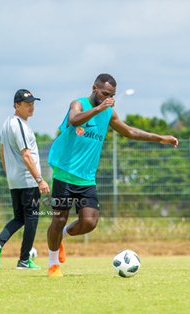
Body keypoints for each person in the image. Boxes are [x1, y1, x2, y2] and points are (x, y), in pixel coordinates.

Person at [47, 73, 178, 277]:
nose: (109, 98)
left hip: (86, 177)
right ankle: (53, 263)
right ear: (94, 88)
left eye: (112, 95)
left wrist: (161, 138)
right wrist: (99, 108)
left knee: (89, 222)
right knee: (59, 218)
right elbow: (73, 120)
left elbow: (130, 132)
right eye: (106, 93)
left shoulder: (109, 113)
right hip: (64, 172)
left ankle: (61, 237)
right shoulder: (79, 104)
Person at [0, 89, 50, 269]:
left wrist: (10, 175)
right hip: (28, 180)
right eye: (27, 104)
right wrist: (40, 179)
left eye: (32, 103)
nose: (31, 107)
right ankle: (24, 260)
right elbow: (26, 155)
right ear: (17, 105)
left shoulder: (7, 123)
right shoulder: (19, 125)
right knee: (32, 218)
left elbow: (2, 151)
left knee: (20, 218)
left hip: (15, 180)